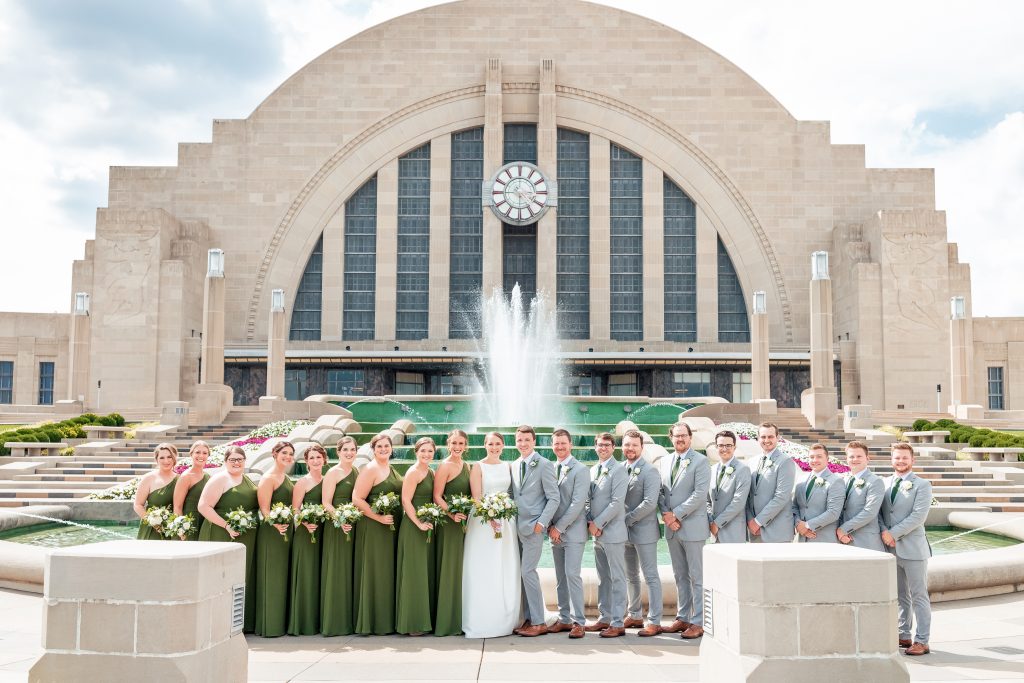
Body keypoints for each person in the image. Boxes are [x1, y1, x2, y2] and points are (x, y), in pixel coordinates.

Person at [462, 431, 521, 638]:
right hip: (482, 522)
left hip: (506, 522)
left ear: (503, 445)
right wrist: (491, 517)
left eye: (497, 444)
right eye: (490, 444)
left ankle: (506, 615)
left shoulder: (509, 466)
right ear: (484, 445)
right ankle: (481, 616)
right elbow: (476, 497)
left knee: (505, 565)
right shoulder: (477, 467)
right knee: (483, 566)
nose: (494, 447)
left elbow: (513, 494)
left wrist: (503, 514)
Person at [198, 445, 259, 633]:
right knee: (220, 578)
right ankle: (216, 626)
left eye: (240, 459)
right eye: (232, 460)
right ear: (225, 462)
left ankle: (239, 624)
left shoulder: (245, 478)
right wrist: (226, 525)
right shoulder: (220, 479)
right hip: (220, 534)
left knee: (239, 579)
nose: (236, 463)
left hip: (243, 536)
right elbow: (204, 506)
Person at [880, 442, 933, 656]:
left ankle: (923, 640)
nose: (900, 461)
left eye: (904, 458)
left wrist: (893, 533)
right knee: (901, 594)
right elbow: (880, 514)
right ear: (891, 460)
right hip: (890, 549)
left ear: (912, 460)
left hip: (913, 548)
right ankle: (904, 634)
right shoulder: (884, 483)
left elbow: (918, 517)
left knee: (919, 595)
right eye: (897, 458)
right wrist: (885, 532)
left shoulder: (922, 485)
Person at [659, 422, 710, 639]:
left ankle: (698, 621)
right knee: (680, 575)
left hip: (693, 527)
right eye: (676, 436)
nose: (680, 439)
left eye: (683, 436)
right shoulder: (665, 461)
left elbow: (700, 494)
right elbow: (661, 493)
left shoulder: (701, 461)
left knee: (697, 577)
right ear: (671, 438)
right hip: (672, 528)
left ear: (690, 437)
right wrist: (667, 516)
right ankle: (683, 617)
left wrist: (676, 514)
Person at [511, 425, 559, 638]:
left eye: (526, 440)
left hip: (534, 528)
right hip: (515, 528)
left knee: (527, 572)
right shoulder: (513, 465)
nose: (522, 443)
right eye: (519, 440)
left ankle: (539, 622)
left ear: (534, 441)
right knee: (521, 573)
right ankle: (529, 617)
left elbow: (554, 497)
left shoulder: (544, 464)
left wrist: (542, 523)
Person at [352, 433, 402, 635]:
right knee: (376, 572)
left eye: (386, 446)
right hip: (375, 527)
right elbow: (357, 498)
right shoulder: (370, 469)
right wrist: (378, 518)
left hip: (391, 526)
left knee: (387, 572)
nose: (383, 449)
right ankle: (374, 622)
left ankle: (388, 620)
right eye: (379, 446)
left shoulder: (389, 467)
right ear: (373, 449)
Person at [546, 428, 590, 639]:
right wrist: (548, 525)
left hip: (572, 533)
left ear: (570, 444)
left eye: (563, 443)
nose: (560, 447)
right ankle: (564, 619)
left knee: (572, 575)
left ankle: (579, 621)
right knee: (560, 578)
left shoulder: (580, 469)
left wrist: (559, 527)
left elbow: (577, 504)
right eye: (556, 443)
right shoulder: (551, 467)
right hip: (554, 532)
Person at [585, 430, 628, 638]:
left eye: (606, 445)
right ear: (595, 447)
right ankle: (605, 617)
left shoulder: (619, 470)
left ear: (613, 448)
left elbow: (616, 502)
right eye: (599, 445)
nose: (602, 448)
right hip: (597, 533)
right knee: (603, 578)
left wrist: (599, 523)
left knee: (618, 578)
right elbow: (589, 500)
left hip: (613, 532)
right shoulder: (593, 470)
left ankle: (618, 622)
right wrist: (590, 523)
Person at [395, 437, 439, 635]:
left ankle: (425, 619)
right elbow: (406, 500)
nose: (427, 455)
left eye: (430, 451)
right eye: (423, 451)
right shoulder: (413, 472)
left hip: (427, 524)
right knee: (414, 573)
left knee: (424, 571)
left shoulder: (430, 471)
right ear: (416, 452)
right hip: (414, 526)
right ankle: (412, 622)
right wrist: (419, 523)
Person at [621, 430, 663, 637]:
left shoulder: (650, 471)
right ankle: (635, 614)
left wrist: (625, 520)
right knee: (631, 576)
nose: (630, 448)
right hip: (624, 533)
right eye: (627, 445)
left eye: (634, 445)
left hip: (644, 530)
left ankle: (654, 620)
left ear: (641, 447)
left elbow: (650, 503)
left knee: (651, 576)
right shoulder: (620, 469)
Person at [431, 429, 471, 636]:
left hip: (463, 523)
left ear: (466, 445)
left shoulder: (466, 465)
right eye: (454, 443)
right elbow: (437, 496)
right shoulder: (444, 466)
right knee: (450, 568)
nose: (457, 447)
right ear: (448, 444)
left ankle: (461, 615)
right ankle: (447, 621)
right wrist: (452, 514)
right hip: (449, 524)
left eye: (461, 444)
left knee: (460, 569)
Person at [254, 441, 295, 637]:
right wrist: (275, 524)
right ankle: (270, 625)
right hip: (272, 532)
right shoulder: (268, 478)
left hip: (285, 530)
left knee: (282, 576)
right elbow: (264, 508)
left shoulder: (285, 477)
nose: (287, 456)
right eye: (284, 453)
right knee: (272, 576)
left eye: (290, 454)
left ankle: (281, 622)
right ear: (274, 454)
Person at [321, 436, 359, 636]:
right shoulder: (333, 473)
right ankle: (334, 623)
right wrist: (340, 519)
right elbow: (326, 502)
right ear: (338, 452)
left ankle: (350, 620)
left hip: (354, 525)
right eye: (345, 450)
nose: (349, 453)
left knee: (350, 571)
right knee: (337, 571)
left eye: (352, 450)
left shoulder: (356, 471)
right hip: (337, 526)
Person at [287, 444, 326, 636]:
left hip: (324, 532)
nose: (316, 461)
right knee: (306, 574)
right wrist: (305, 523)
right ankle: (303, 622)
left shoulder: (328, 480)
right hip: (306, 532)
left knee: (320, 575)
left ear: (324, 459)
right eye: (312, 458)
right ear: (306, 461)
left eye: (319, 457)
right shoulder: (303, 482)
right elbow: (295, 509)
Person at [746, 422, 797, 543]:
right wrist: (750, 521)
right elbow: (748, 495)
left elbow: (782, 496)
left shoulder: (785, 461)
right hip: (755, 531)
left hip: (777, 531)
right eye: (763, 437)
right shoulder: (752, 461)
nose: (766, 440)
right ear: (758, 438)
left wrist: (758, 522)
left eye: (770, 436)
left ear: (777, 438)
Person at [836, 441, 885, 551]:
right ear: (846, 459)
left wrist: (843, 529)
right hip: (842, 539)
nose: (855, 459)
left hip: (865, 540)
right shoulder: (843, 480)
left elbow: (869, 512)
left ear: (867, 458)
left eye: (859, 456)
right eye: (851, 456)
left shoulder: (875, 481)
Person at [792, 444, 845, 543]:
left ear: (827, 458)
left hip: (823, 538)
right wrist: (798, 524)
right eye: (811, 457)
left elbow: (833, 512)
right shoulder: (801, 480)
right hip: (802, 538)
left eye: (819, 457)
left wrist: (807, 525)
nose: (815, 460)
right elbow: (794, 507)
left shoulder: (836, 481)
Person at [707, 430, 751, 544]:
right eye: (721, 445)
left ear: (734, 447)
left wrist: (717, 523)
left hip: (733, 532)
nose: (724, 448)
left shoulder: (743, 470)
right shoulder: (711, 470)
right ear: (716, 447)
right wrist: (711, 521)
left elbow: (739, 502)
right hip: (714, 532)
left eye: (728, 445)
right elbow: (707, 500)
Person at [134, 443, 178, 540]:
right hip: (151, 530)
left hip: (173, 529)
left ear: (175, 457)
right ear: (156, 459)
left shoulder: (180, 480)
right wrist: (153, 522)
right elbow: (138, 505)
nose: (166, 461)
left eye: (169, 457)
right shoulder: (148, 478)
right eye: (162, 458)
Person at [172, 440, 210, 539]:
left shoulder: (208, 476)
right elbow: (177, 507)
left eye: (205, 453)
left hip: (204, 522)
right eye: (197, 452)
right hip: (188, 524)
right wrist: (181, 530)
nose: (201, 456)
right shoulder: (186, 476)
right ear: (191, 454)